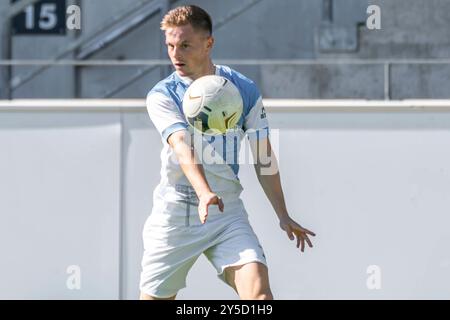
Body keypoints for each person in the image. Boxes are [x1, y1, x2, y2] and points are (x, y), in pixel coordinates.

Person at [140, 5, 315, 300]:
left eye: (185, 45)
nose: (175, 54)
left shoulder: (243, 89)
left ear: (209, 43)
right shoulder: (162, 95)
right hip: (177, 211)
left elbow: (263, 156)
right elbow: (182, 146)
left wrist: (283, 214)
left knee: (259, 297)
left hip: (226, 210)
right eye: (170, 45)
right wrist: (203, 191)